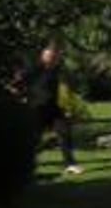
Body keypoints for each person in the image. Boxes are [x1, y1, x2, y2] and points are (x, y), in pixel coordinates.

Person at [27, 41, 81, 175]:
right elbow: (20, 84)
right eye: (49, 56)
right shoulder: (34, 70)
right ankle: (27, 164)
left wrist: (70, 107)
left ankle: (70, 164)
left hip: (55, 108)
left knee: (65, 133)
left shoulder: (58, 70)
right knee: (34, 138)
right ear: (43, 56)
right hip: (38, 108)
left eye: (54, 57)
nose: (52, 59)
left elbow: (66, 87)